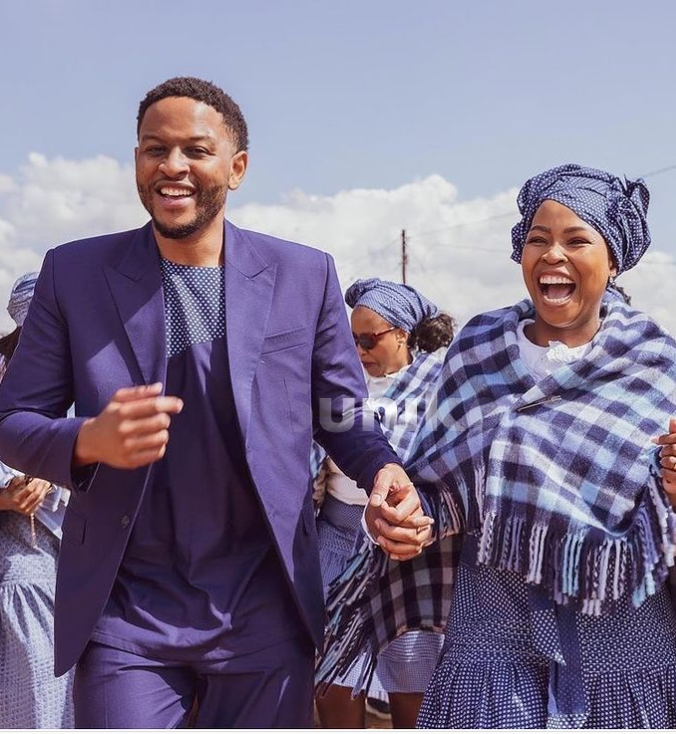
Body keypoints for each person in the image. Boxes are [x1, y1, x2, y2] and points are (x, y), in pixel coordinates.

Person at [0, 77, 431, 729]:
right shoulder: (74, 273)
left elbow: (341, 414)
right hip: (126, 609)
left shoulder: (304, 274)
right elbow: (12, 422)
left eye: (195, 150)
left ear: (237, 168)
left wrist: (385, 473)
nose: (172, 165)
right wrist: (89, 441)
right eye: (154, 149)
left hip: (265, 605)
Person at [320, 164, 676, 728]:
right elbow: (441, 492)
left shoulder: (651, 361)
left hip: (621, 649)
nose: (552, 256)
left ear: (613, 260)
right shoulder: (477, 353)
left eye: (576, 240)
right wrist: (404, 520)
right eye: (537, 241)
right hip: (493, 641)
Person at [314, 277, 454, 728]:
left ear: (403, 334)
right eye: (350, 340)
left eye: (369, 339)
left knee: (413, 680)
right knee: (332, 676)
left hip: (410, 551)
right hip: (336, 543)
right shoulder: (337, 385)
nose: (359, 350)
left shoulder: (440, 385)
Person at [0, 273, 74, 728]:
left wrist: (56, 466)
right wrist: (8, 498)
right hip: (24, 566)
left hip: (85, 569)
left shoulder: (90, 378)